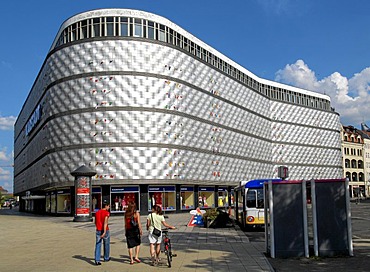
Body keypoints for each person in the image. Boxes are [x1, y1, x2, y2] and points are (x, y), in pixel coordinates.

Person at [94, 201, 111, 265]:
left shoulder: (97, 212)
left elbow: (95, 222)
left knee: (98, 244)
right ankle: (106, 257)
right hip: (105, 230)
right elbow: (105, 223)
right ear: (106, 206)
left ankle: (97, 259)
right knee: (106, 244)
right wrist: (104, 232)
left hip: (98, 230)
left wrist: (98, 227)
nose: (109, 207)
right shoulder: (106, 213)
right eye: (108, 206)